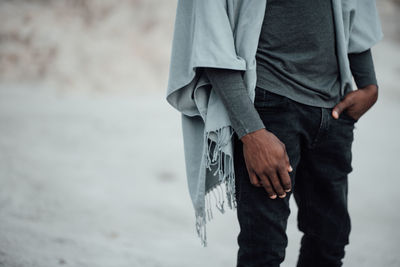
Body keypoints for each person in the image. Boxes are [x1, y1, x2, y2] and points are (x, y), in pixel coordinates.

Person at [203, 1, 379, 266]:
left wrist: (368, 84)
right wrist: (252, 131)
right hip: (268, 108)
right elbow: (210, 31)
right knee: (264, 248)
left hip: (333, 107)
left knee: (330, 242)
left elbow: (355, 8)